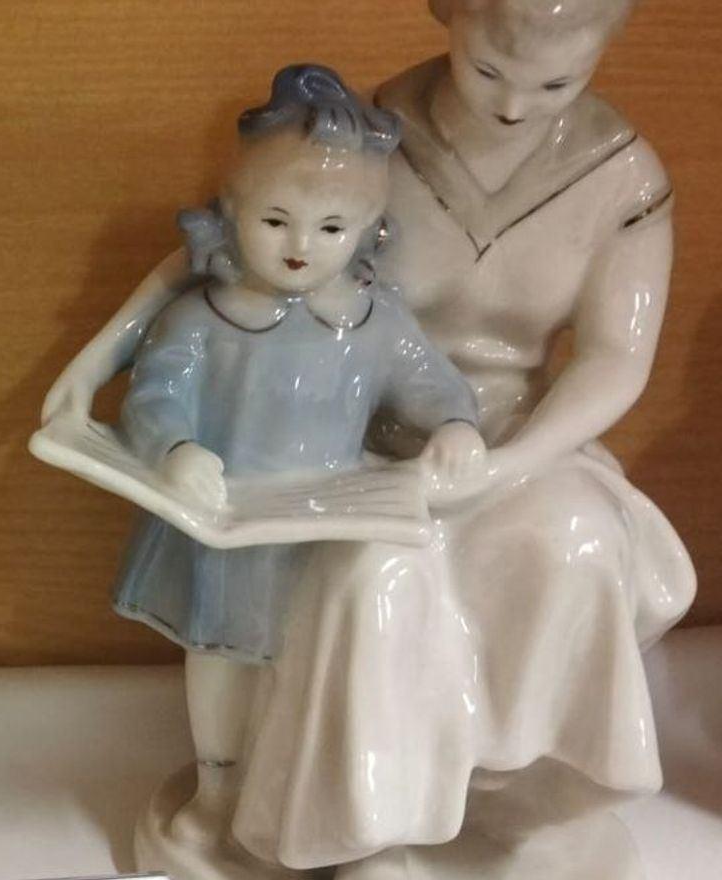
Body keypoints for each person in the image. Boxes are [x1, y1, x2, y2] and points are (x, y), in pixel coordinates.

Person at [42, 2, 693, 877]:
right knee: (374, 576)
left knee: (572, 537)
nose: (513, 107)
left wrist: (505, 462)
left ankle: (523, 803)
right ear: (448, 15)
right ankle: (363, 829)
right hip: (353, 437)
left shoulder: (621, 176)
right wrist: (100, 355)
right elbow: (227, 241)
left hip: (509, 433)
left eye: (557, 82)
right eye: (489, 71)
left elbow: (616, 358)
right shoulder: (370, 133)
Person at [109, 65, 484, 879]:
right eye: (276, 219)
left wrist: (456, 424)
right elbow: (154, 397)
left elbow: (430, 382)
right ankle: (218, 794)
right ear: (232, 212)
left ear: (369, 232)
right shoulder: (202, 318)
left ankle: (309, 804)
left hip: (330, 531)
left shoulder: (373, 322)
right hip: (230, 530)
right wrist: (177, 450)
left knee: (317, 673)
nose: (299, 246)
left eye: (331, 227)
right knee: (222, 668)